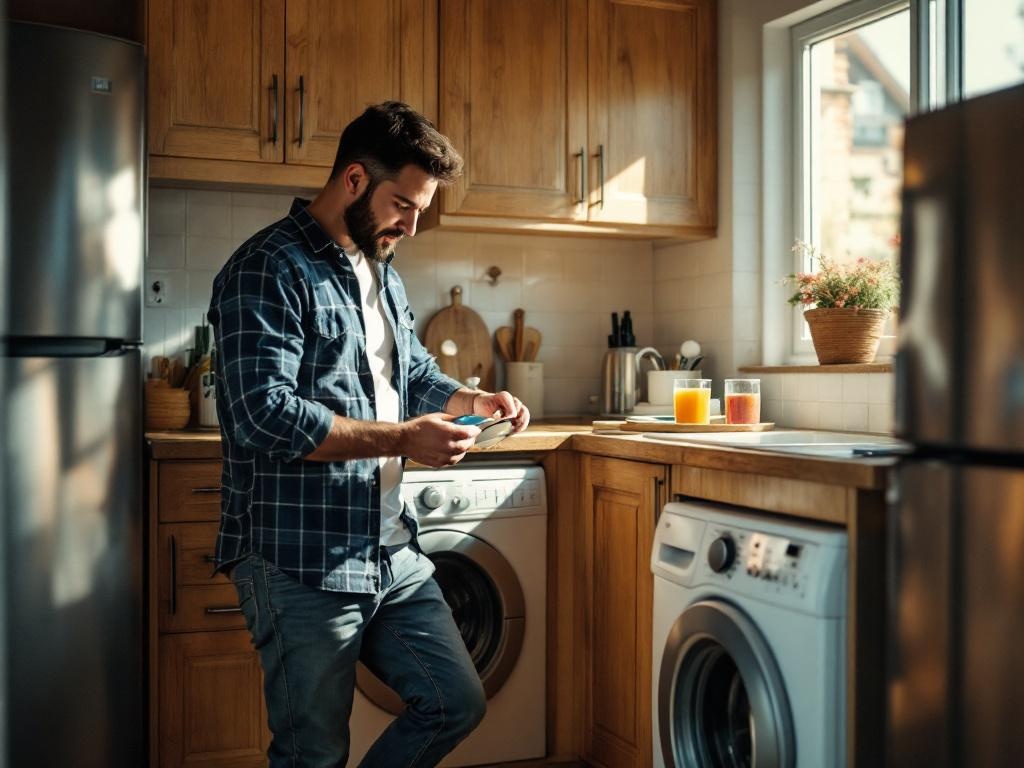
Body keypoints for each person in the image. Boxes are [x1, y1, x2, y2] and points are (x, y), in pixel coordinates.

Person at [207, 101, 530, 768]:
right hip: (299, 556)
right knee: (312, 754)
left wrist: (477, 398)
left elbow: (411, 373)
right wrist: (404, 440)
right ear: (354, 179)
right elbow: (263, 414)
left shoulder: (381, 270)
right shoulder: (267, 266)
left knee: (455, 701)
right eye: (404, 205)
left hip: (389, 549)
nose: (412, 226)